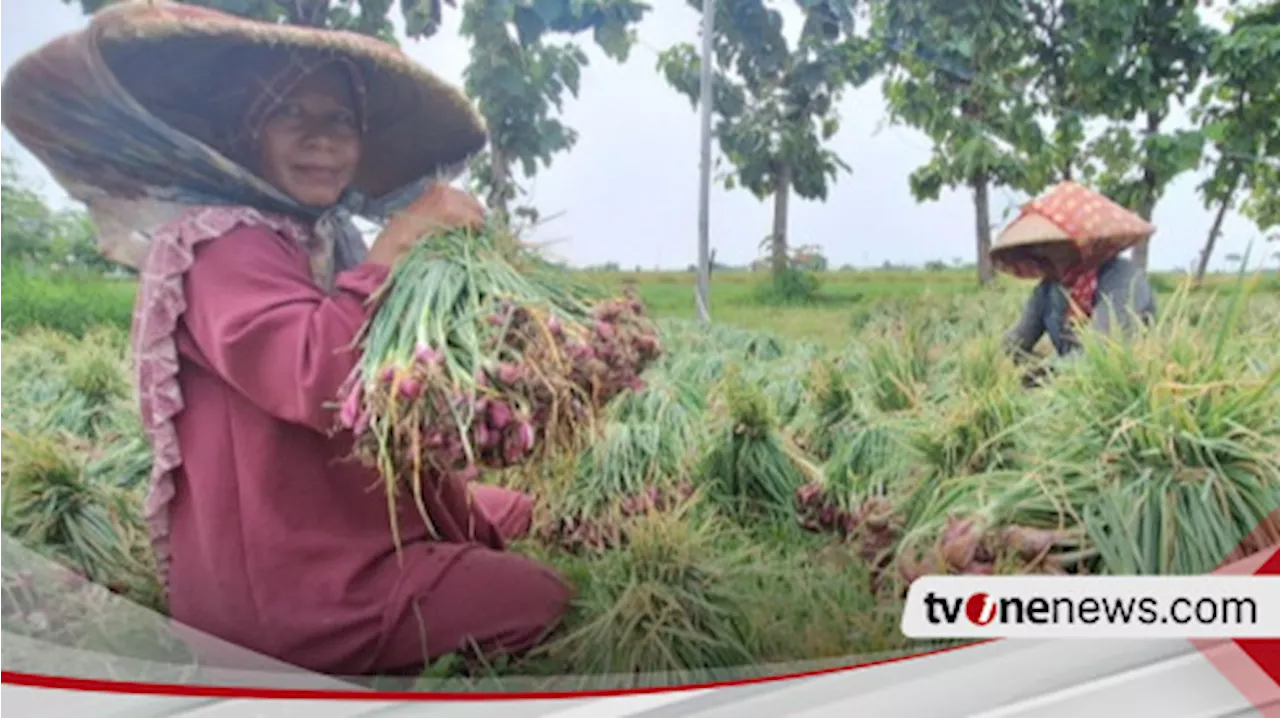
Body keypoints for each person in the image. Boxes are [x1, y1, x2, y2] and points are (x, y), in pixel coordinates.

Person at [1, 0, 569, 676]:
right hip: (286, 589)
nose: (321, 138)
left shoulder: (322, 237)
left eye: (340, 120)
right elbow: (320, 375)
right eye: (289, 113)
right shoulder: (220, 244)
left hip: (333, 516)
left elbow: (387, 379)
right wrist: (400, 241)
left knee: (508, 512)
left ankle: (436, 545)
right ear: (248, 131)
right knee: (539, 596)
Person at [990, 181, 1158, 368]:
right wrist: (986, 358)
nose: (1043, 254)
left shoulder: (1122, 278)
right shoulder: (1048, 290)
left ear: (1080, 242)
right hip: (1069, 384)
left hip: (1130, 383)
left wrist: (1047, 373)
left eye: (1053, 244)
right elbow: (1016, 342)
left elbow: (1100, 350)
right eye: (1039, 247)